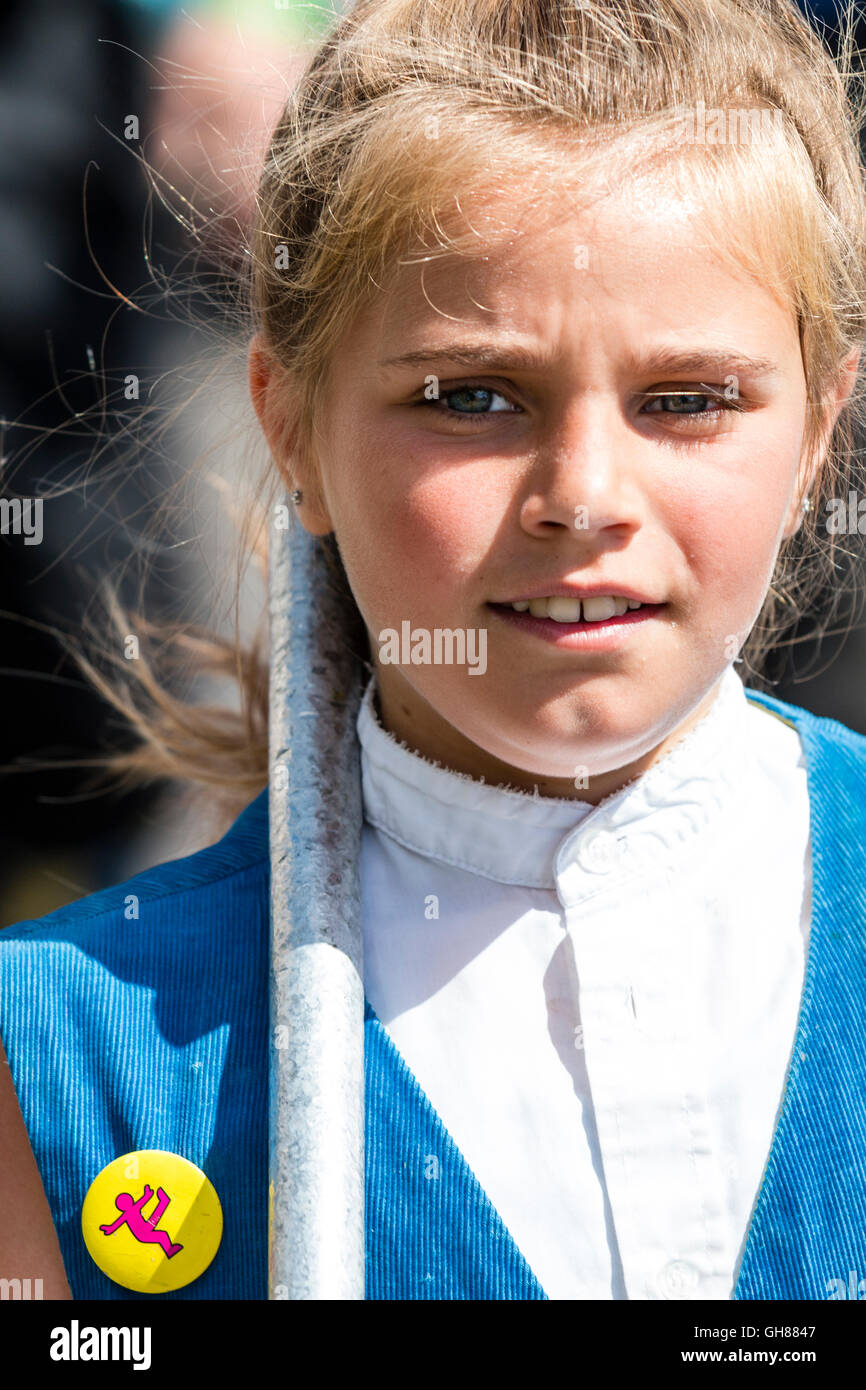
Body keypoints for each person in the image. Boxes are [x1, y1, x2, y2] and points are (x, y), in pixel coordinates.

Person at [1, 0, 865, 1301]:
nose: (582, 495)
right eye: (470, 397)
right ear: (288, 428)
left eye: (685, 399)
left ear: (816, 435)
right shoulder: (73, 1050)